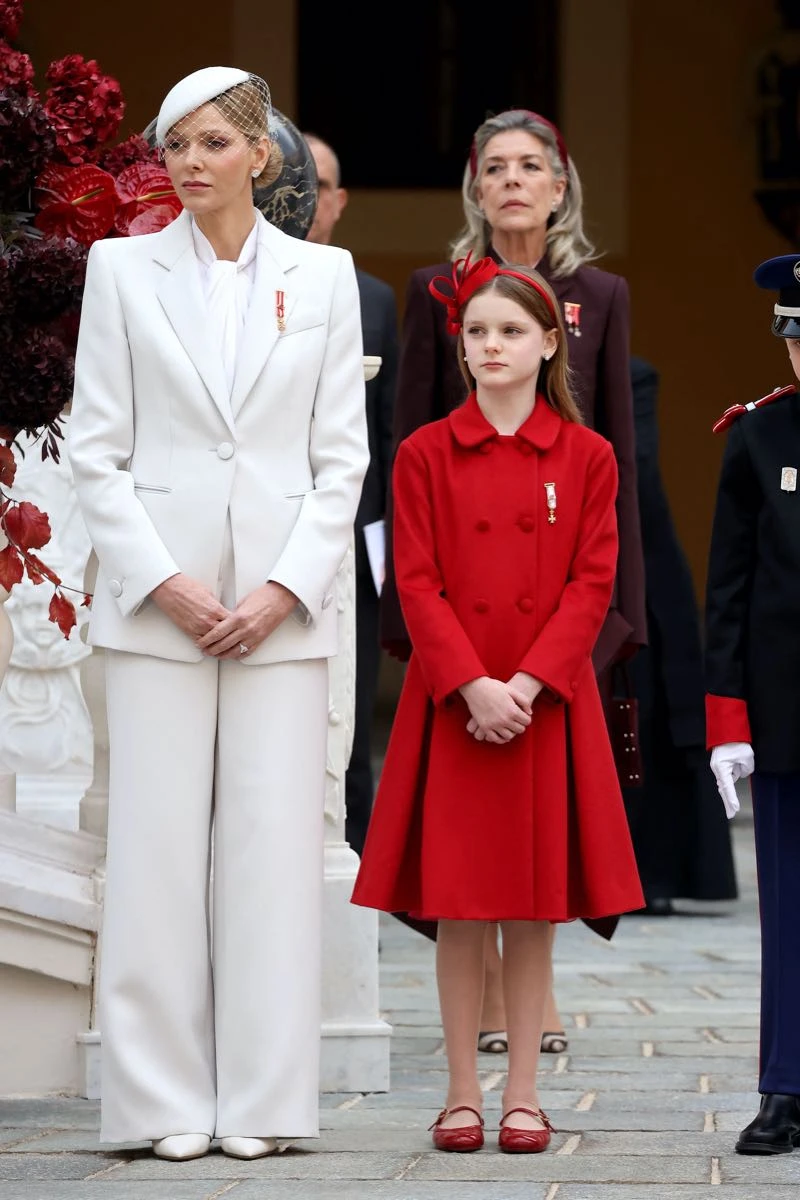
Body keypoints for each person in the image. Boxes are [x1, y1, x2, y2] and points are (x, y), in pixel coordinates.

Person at [67, 67, 368, 1161]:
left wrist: (285, 586)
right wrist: (168, 582)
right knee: (151, 854)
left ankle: (264, 1106)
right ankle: (155, 1106)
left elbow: (341, 462)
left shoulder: (325, 279)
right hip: (159, 611)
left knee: (270, 856)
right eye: (172, 146)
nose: (187, 163)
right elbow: (98, 451)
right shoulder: (119, 270)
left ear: (261, 155)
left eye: (209, 143)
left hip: (281, 616)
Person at [351, 256, 644, 1153]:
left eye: (511, 330)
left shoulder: (587, 456)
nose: (490, 345)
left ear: (550, 341)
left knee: (530, 905)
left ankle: (524, 1093)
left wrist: (524, 683)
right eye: (476, 331)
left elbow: (594, 583)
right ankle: (460, 1092)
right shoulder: (423, 452)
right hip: (455, 706)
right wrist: (472, 682)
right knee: (461, 903)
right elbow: (419, 579)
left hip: (545, 705)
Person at [380, 108, 647, 1055]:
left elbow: (615, 443)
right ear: (474, 184)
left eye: (532, 166)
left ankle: (530, 999)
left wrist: (621, 616)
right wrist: (403, 613)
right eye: (496, 167)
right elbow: (407, 434)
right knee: (462, 811)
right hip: (451, 595)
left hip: (559, 593)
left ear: (560, 183)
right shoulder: (436, 289)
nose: (514, 182)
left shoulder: (600, 294)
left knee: (542, 809)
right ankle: (482, 994)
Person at [705, 253, 800, 1156]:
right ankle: (786, 1086)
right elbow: (727, 593)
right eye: (798, 334)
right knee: (790, 908)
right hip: (786, 719)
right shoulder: (759, 436)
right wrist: (727, 723)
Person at [304, 132, 398, 856]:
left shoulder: (374, 300)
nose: (300, 194)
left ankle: (357, 885)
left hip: (350, 542)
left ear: (337, 202)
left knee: (347, 720)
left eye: (318, 182)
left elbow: (389, 428)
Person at [622, 357, 737, 913]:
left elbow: (636, 469)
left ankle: (649, 870)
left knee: (645, 704)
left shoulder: (630, 373)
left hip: (631, 553)